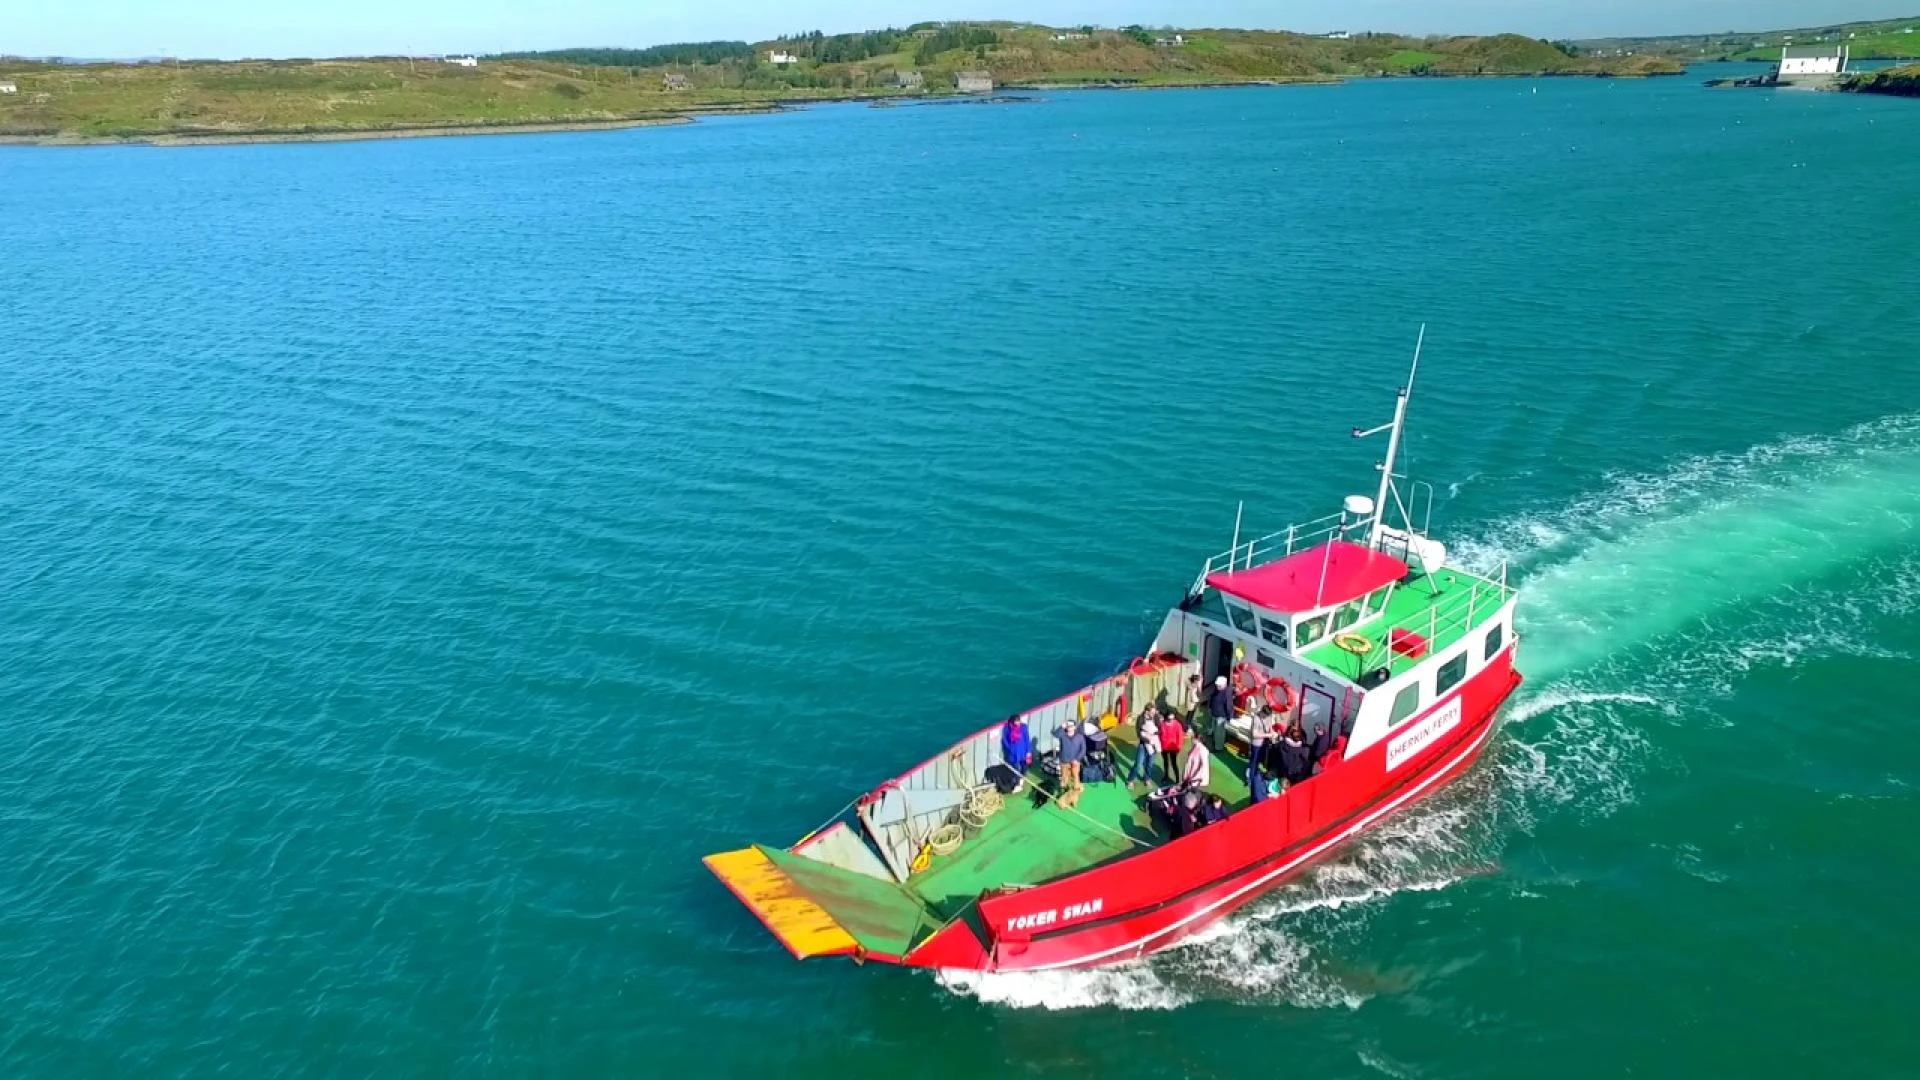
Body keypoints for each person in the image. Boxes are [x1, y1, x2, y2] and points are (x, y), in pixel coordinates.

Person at [1127, 705, 1161, 786]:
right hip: (1143, 744)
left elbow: (1159, 728)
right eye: (1152, 712)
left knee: (1150, 764)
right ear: (1147, 712)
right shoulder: (1140, 718)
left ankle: (1147, 778)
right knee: (1138, 764)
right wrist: (1147, 740)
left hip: (1153, 743)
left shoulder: (1155, 717)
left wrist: (1156, 733)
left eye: (1154, 712)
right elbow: (1139, 734)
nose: (1154, 713)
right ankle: (1130, 780)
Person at [1056, 720, 1087, 809]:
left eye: (1071, 726)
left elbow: (1083, 749)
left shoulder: (1080, 737)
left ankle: (1076, 792)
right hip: (1064, 761)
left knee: (1075, 776)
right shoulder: (1062, 735)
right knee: (1064, 776)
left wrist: (1077, 759)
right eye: (1067, 726)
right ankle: (1064, 791)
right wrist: (1061, 727)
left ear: (1074, 727)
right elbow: (1055, 734)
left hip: (1075, 762)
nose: (1069, 727)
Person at [1247, 706, 1276, 793]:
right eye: (1266, 716)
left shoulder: (1269, 716)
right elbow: (1254, 734)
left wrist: (1272, 732)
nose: (1267, 717)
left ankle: (1255, 773)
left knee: (1260, 760)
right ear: (1262, 713)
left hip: (1264, 742)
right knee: (1254, 762)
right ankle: (1251, 779)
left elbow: (1270, 725)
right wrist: (1268, 735)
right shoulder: (1256, 718)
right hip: (1256, 744)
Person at [1276, 720, 1313, 788]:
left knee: (1288, 785)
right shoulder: (1303, 747)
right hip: (1296, 770)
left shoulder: (1283, 744)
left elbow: (1281, 755)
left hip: (1288, 769)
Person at [1206, 675, 1234, 751]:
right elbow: (1211, 698)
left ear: (1224, 685)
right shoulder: (1217, 690)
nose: (1217, 686)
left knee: (1219, 733)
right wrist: (1210, 708)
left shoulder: (1227, 693)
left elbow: (1229, 706)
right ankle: (1215, 743)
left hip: (1221, 717)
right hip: (1214, 714)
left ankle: (1218, 748)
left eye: (1219, 685)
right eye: (1217, 685)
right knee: (1215, 731)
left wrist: (1229, 717)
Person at [1158, 710, 1185, 785]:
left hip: (1173, 747)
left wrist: (1178, 747)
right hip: (1164, 747)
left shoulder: (1177, 725)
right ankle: (1166, 775)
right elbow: (1160, 735)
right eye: (1169, 719)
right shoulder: (1162, 724)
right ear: (1166, 718)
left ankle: (1177, 779)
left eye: (1173, 718)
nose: (1171, 720)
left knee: (1174, 763)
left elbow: (1180, 737)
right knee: (1165, 762)